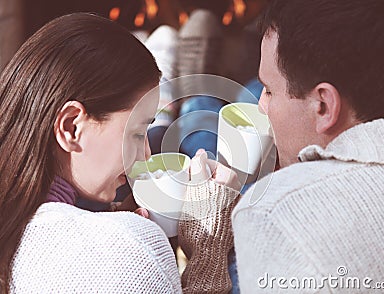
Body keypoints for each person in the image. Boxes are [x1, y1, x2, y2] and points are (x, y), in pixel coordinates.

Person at [0, 13, 240, 293]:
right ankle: (193, 97)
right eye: (138, 133)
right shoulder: (128, 248)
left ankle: (179, 103)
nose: (146, 155)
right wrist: (208, 252)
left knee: (170, 135)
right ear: (70, 127)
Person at [229, 0, 384, 292]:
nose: (261, 105)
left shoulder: (274, 213)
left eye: (269, 90)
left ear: (323, 106)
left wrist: (205, 255)